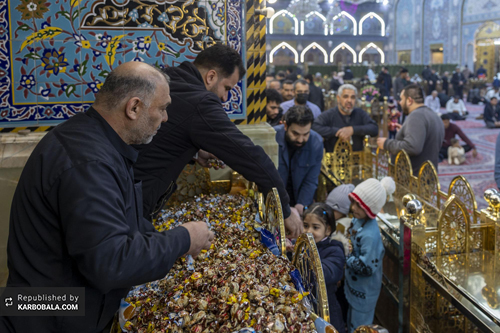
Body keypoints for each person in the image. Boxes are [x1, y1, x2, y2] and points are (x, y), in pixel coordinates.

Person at [1, 62, 215, 332]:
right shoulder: (88, 162)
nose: (165, 118)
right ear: (134, 107)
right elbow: (110, 263)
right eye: (162, 108)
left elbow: (122, 226)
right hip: (47, 309)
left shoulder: (97, 140)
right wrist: (184, 239)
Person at [133, 44, 302, 237]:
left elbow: (166, 133)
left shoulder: (170, 78)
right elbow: (250, 156)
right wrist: (285, 209)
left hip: (117, 184)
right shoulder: (201, 101)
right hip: (134, 199)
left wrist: (195, 152)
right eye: (227, 88)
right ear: (211, 77)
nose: (225, 97)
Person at [345, 177, 395, 332]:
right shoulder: (359, 220)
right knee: (351, 322)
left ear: (370, 209)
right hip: (355, 287)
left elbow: (366, 267)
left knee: (360, 327)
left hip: (364, 293)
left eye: (359, 205)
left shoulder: (370, 235)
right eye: (353, 202)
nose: (353, 208)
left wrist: (346, 257)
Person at [377, 84, 444, 175]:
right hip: (428, 176)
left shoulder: (416, 116)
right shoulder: (433, 115)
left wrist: (386, 144)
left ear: (409, 100)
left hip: (414, 180)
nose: (400, 102)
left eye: (401, 99)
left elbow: (412, 147)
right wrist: (405, 131)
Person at [303, 203, 347, 333]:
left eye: (315, 227)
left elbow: (323, 274)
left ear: (328, 230)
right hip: (308, 307)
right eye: (306, 226)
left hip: (326, 311)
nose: (309, 231)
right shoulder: (304, 245)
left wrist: (303, 257)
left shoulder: (335, 251)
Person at [275, 105, 323, 215]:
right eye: (295, 134)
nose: (300, 140)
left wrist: (301, 204)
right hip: (275, 201)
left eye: (306, 134)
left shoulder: (316, 142)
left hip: (300, 203)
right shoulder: (272, 137)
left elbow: (311, 179)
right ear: (285, 126)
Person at [313, 84, 378, 152]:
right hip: (334, 159)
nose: (349, 100)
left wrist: (352, 130)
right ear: (338, 98)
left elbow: (374, 128)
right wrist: (337, 132)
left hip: (357, 159)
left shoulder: (360, 113)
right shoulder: (329, 114)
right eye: (345, 97)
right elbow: (314, 127)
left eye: (352, 97)